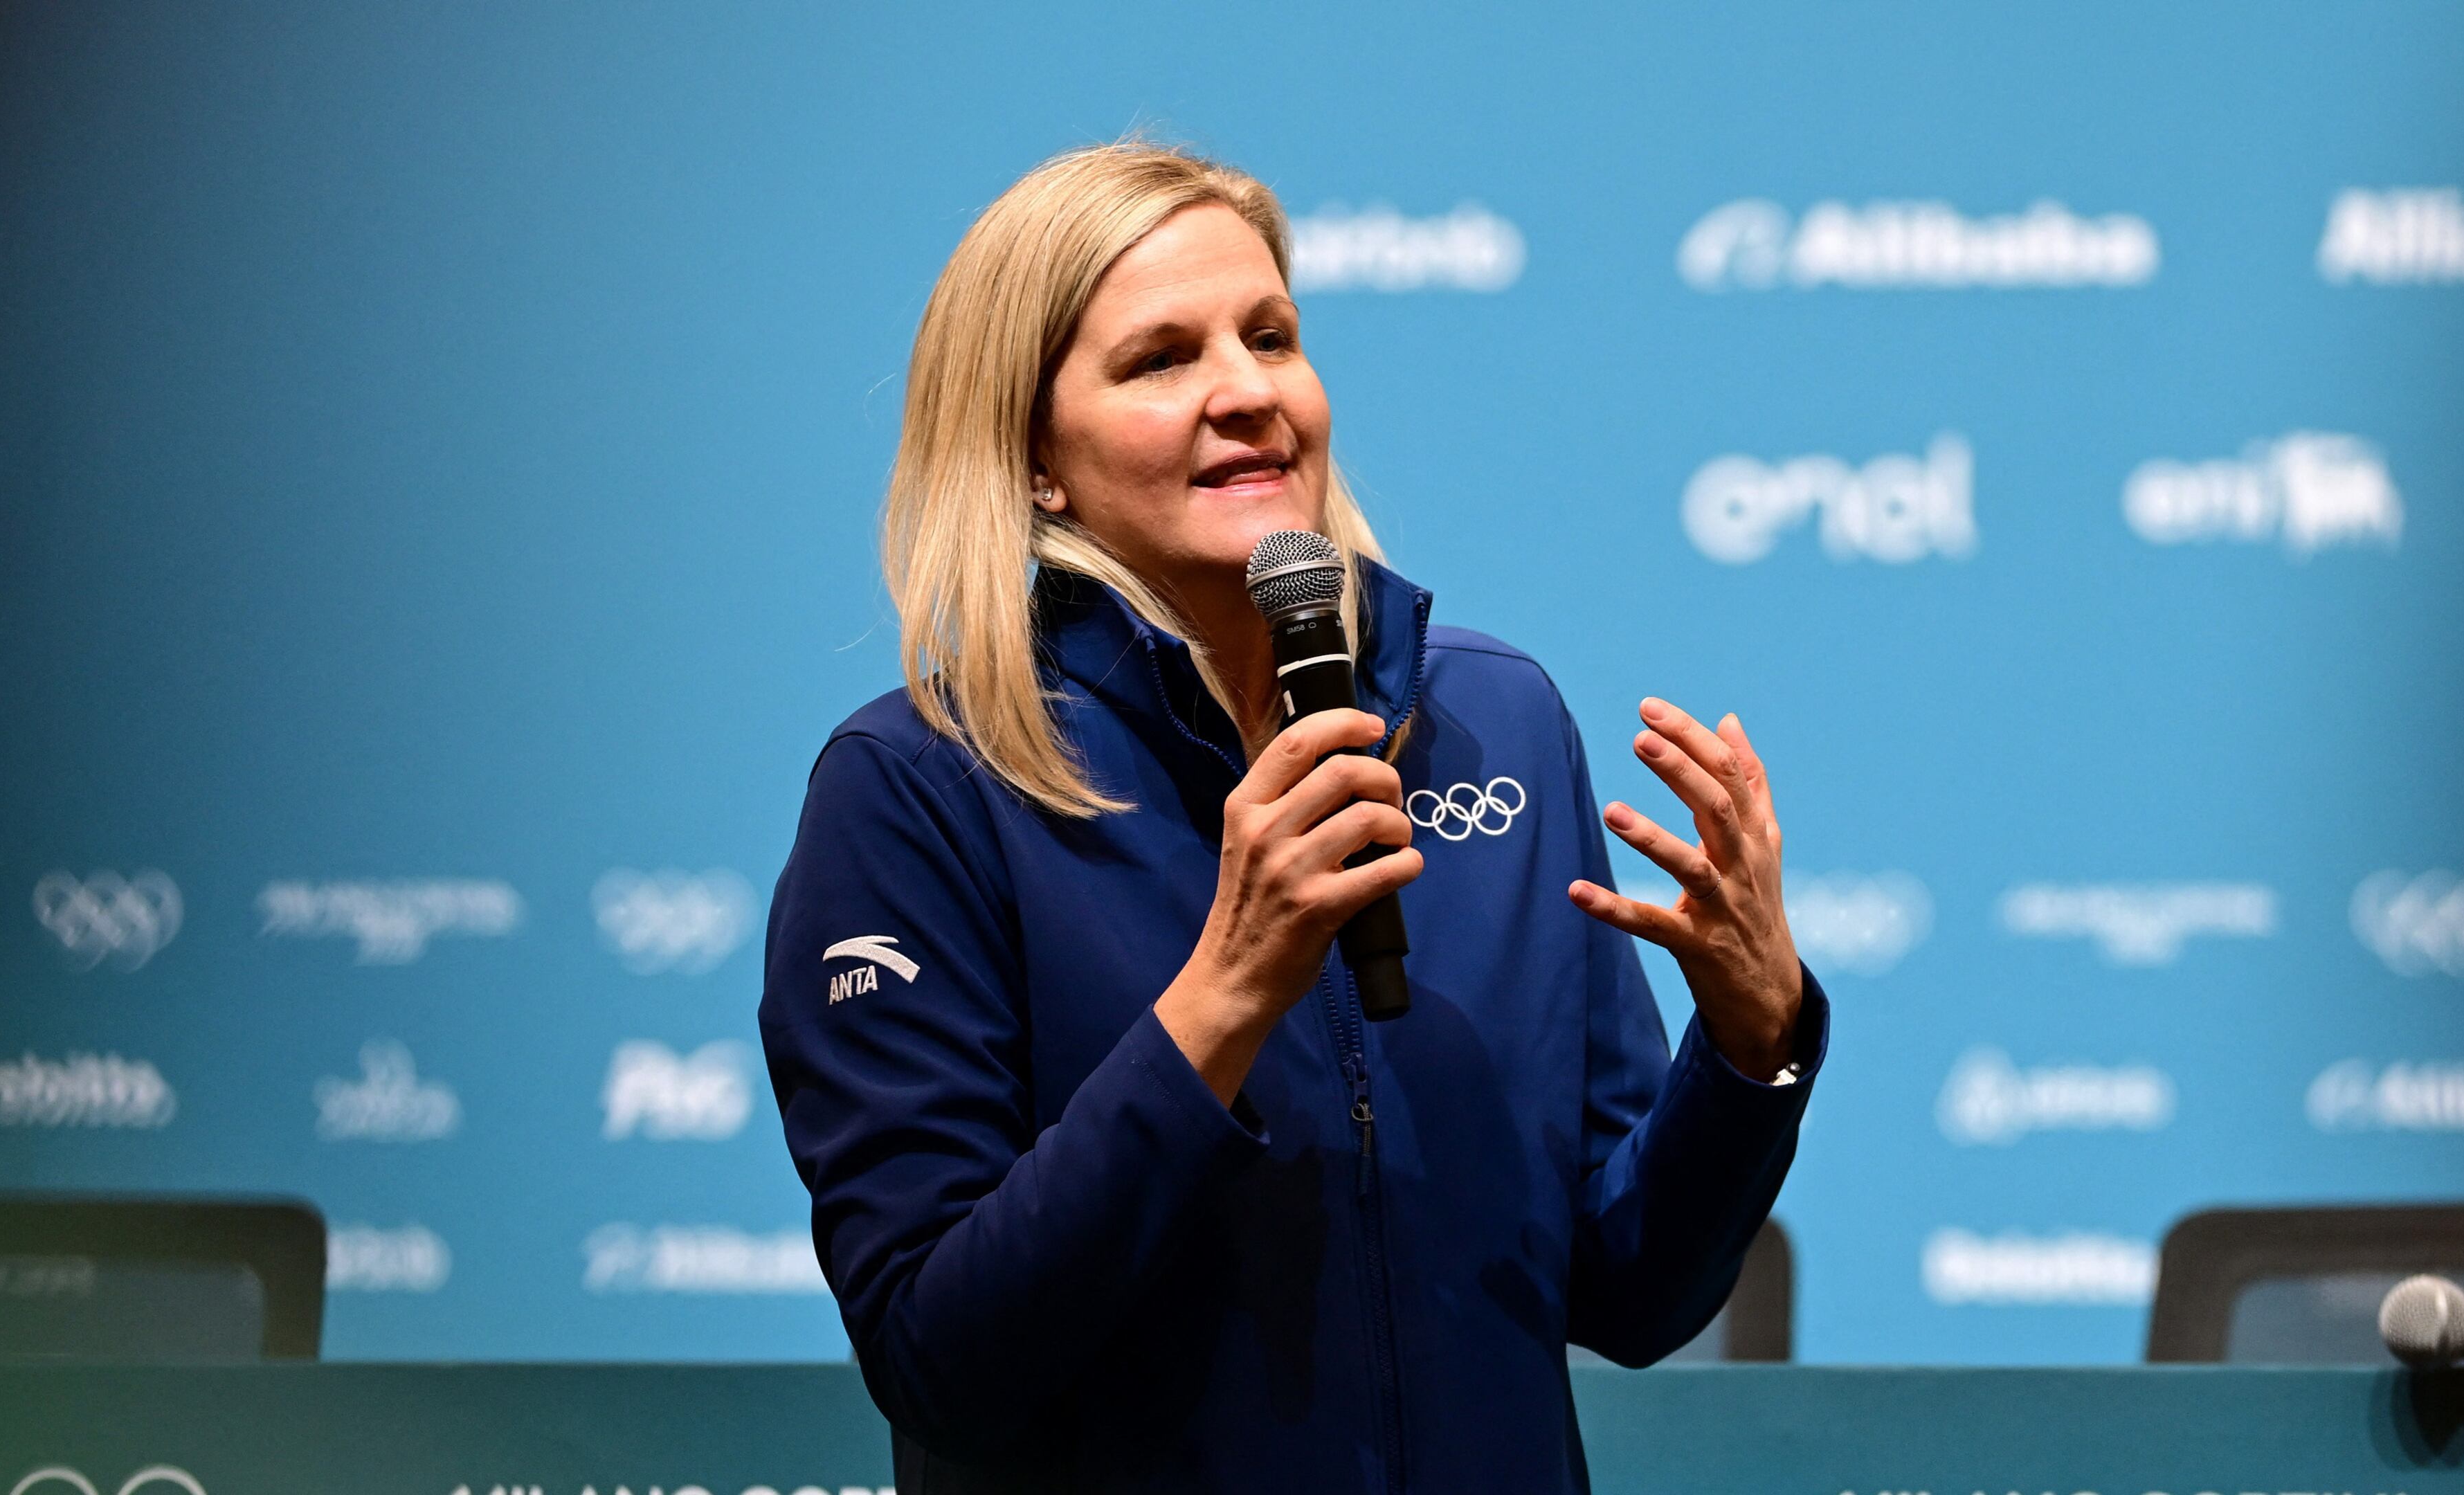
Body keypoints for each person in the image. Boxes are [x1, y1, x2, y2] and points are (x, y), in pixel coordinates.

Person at [759, 141, 1829, 1495]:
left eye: (1271, 336)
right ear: (1034, 457)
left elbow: (1631, 1291)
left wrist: (1751, 1047)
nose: (1248, 392)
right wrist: (1223, 995)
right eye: (1162, 358)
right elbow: (938, 1355)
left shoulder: (1491, 720)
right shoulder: (919, 790)